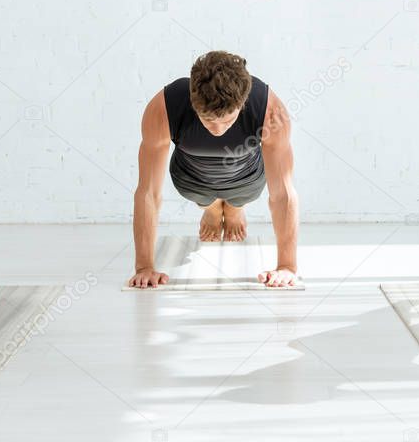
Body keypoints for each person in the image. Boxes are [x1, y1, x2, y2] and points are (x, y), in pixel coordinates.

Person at [128, 51, 299, 288]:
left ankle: (234, 209)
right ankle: (211, 208)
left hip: (247, 177)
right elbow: (148, 192)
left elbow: (282, 193)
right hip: (190, 177)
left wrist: (287, 267)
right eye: (208, 121)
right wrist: (144, 267)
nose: (218, 130)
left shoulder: (270, 110)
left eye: (227, 121)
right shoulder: (165, 107)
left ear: (243, 103)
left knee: (243, 195)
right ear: (192, 102)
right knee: (198, 195)